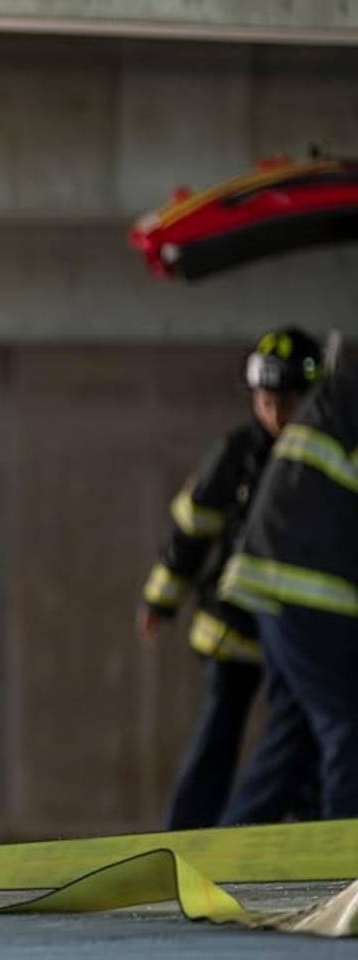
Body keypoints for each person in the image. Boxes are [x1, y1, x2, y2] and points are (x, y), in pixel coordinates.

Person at [138, 327, 324, 829]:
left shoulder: (322, 457)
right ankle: (188, 836)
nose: (277, 414)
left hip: (296, 632)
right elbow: (191, 531)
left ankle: (310, 827)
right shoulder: (237, 453)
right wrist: (159, 602)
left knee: (303, 738)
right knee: (217, 738)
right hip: (234, 628)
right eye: (267, 401)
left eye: (289, 402)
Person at [220, 340, 358, 820]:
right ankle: (347, 855)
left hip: (276, 584)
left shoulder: (343, 392)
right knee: (348, 728)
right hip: (312, 590)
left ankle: (233, 847)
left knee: (292, 737)